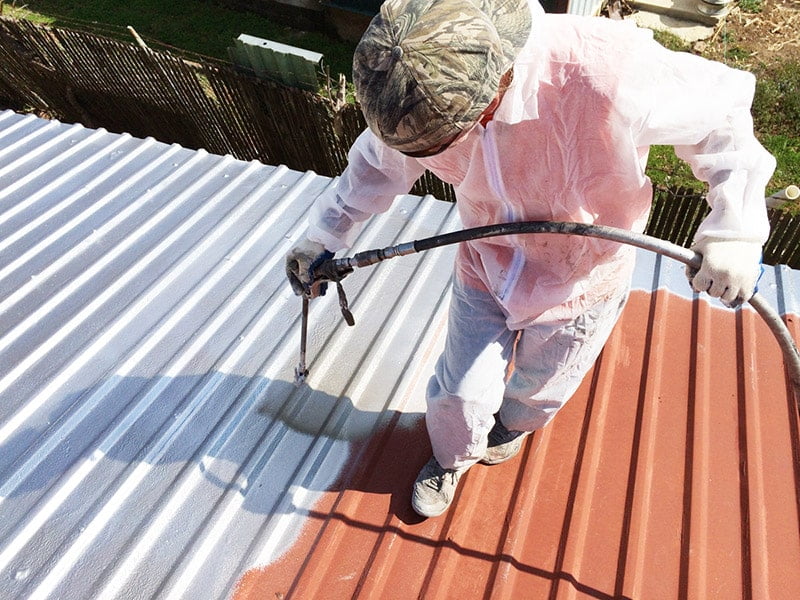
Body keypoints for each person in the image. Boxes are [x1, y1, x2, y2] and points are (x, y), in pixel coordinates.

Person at [285, 0, 776, 518]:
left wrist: (735, 231)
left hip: (584, 274)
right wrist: (325, 235)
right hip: (487, 260)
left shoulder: (607, 69)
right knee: (458, 389)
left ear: (495, 86)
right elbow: (380, 163)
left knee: (543, 382)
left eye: (448, 140)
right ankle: (453, 454)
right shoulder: (417, 86)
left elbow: (721, 117)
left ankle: (513, 424)